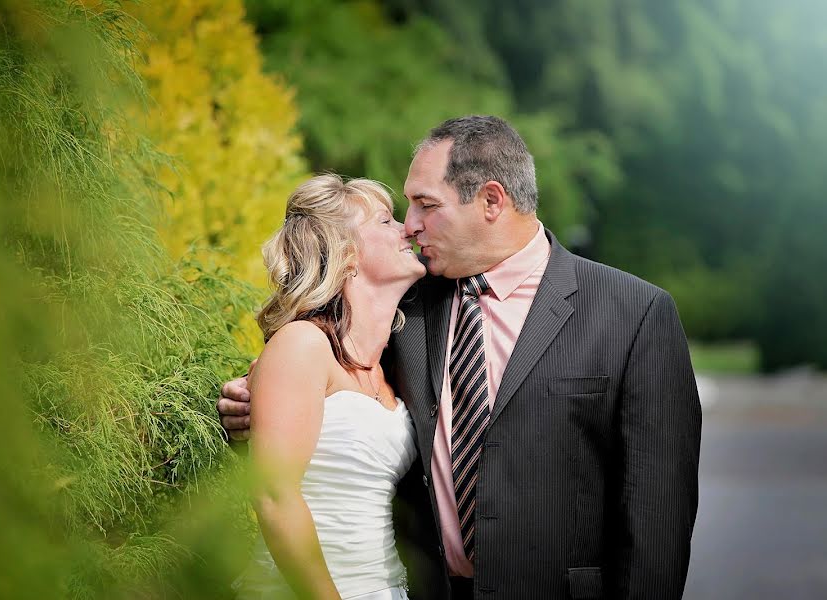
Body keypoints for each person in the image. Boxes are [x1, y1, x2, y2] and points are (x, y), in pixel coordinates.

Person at [221, 116, 702, 600]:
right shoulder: (404, 304)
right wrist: (251, 400)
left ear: (492, 201)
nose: (410, 225)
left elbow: (657, 515)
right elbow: (328, 380)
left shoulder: (635, 314)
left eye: (426, 205)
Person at [231, 174, 426, 600]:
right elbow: (273, 495)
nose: (406, 228)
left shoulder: (387, 364)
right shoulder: (303, 344)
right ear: (346, 254)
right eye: (384, 221)